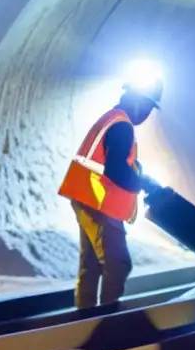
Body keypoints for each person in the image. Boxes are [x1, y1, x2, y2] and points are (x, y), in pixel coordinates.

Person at [57, 75, 162, 308]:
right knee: (118, 264)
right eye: (147, 107)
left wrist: (140, 175)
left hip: (87, 197)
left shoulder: (113, 119)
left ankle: (85, 317)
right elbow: (115, 169)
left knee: (92, 263)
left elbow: (114, 161)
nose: (147, 114)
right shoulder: (122, 125)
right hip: (98, 202)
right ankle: (106, 322)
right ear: (137, 102)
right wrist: (142, 184)